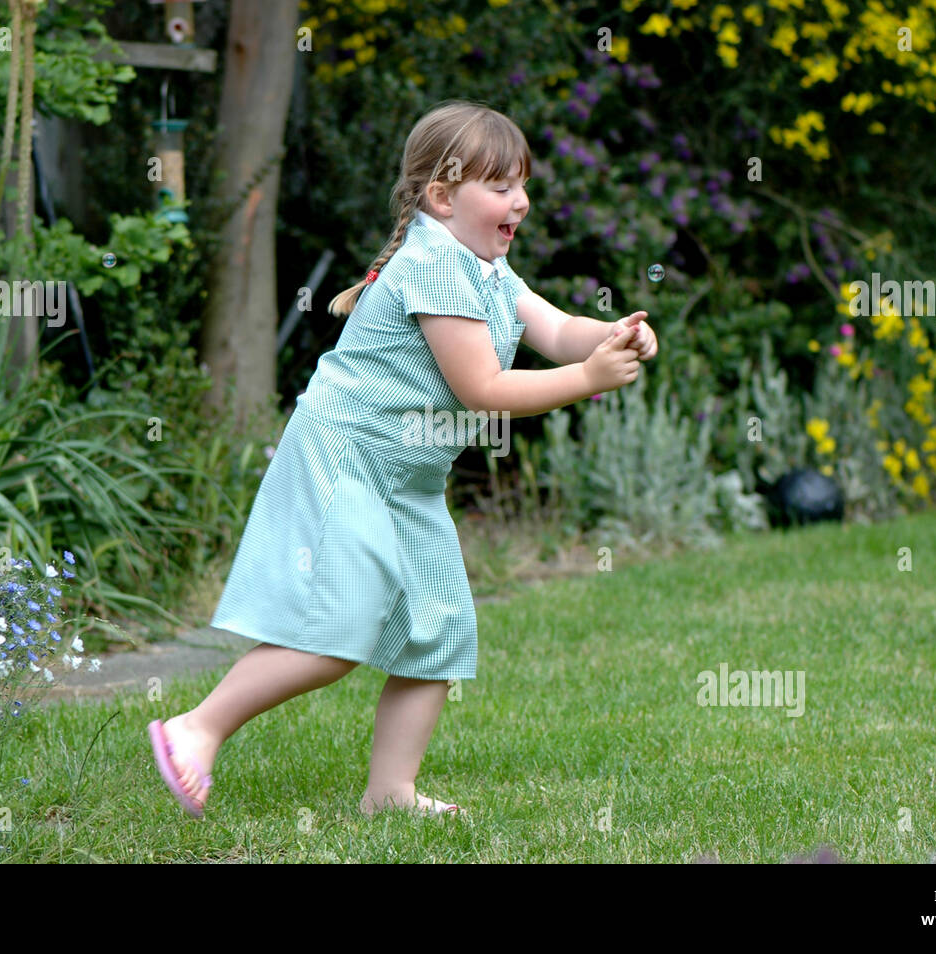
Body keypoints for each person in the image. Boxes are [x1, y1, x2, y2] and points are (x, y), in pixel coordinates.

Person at [148, 99, 658, 821]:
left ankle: (390, 793)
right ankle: (194, 728)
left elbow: (557, 327)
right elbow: (481, 388)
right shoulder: (435, 267)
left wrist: (614, 335)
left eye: (522, 183)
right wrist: (588, 380)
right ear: (442, 197)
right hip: (347, 458)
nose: (522, 200)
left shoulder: (486, 269)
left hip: (409, 479)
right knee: (339, 630)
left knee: (436, 632)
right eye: (502, 185)